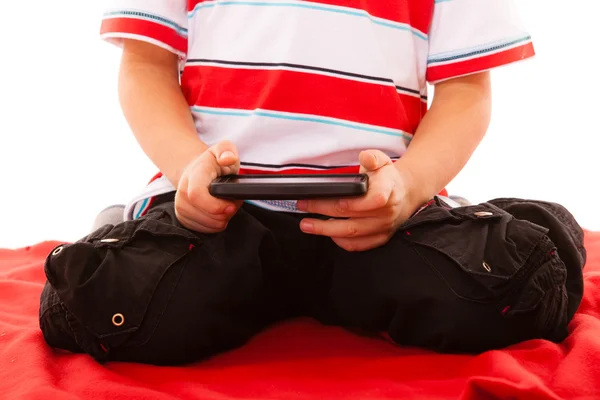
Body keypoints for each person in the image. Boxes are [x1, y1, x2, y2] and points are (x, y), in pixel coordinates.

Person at [38, 0, 586, 365]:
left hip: (378, 221)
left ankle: (510, 224)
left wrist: (411, 186)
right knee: (103, 306)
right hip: (216, 220)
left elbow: (466, 91)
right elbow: (145, 67)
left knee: (519, 290)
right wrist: (187, 170)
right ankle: (126, 232)